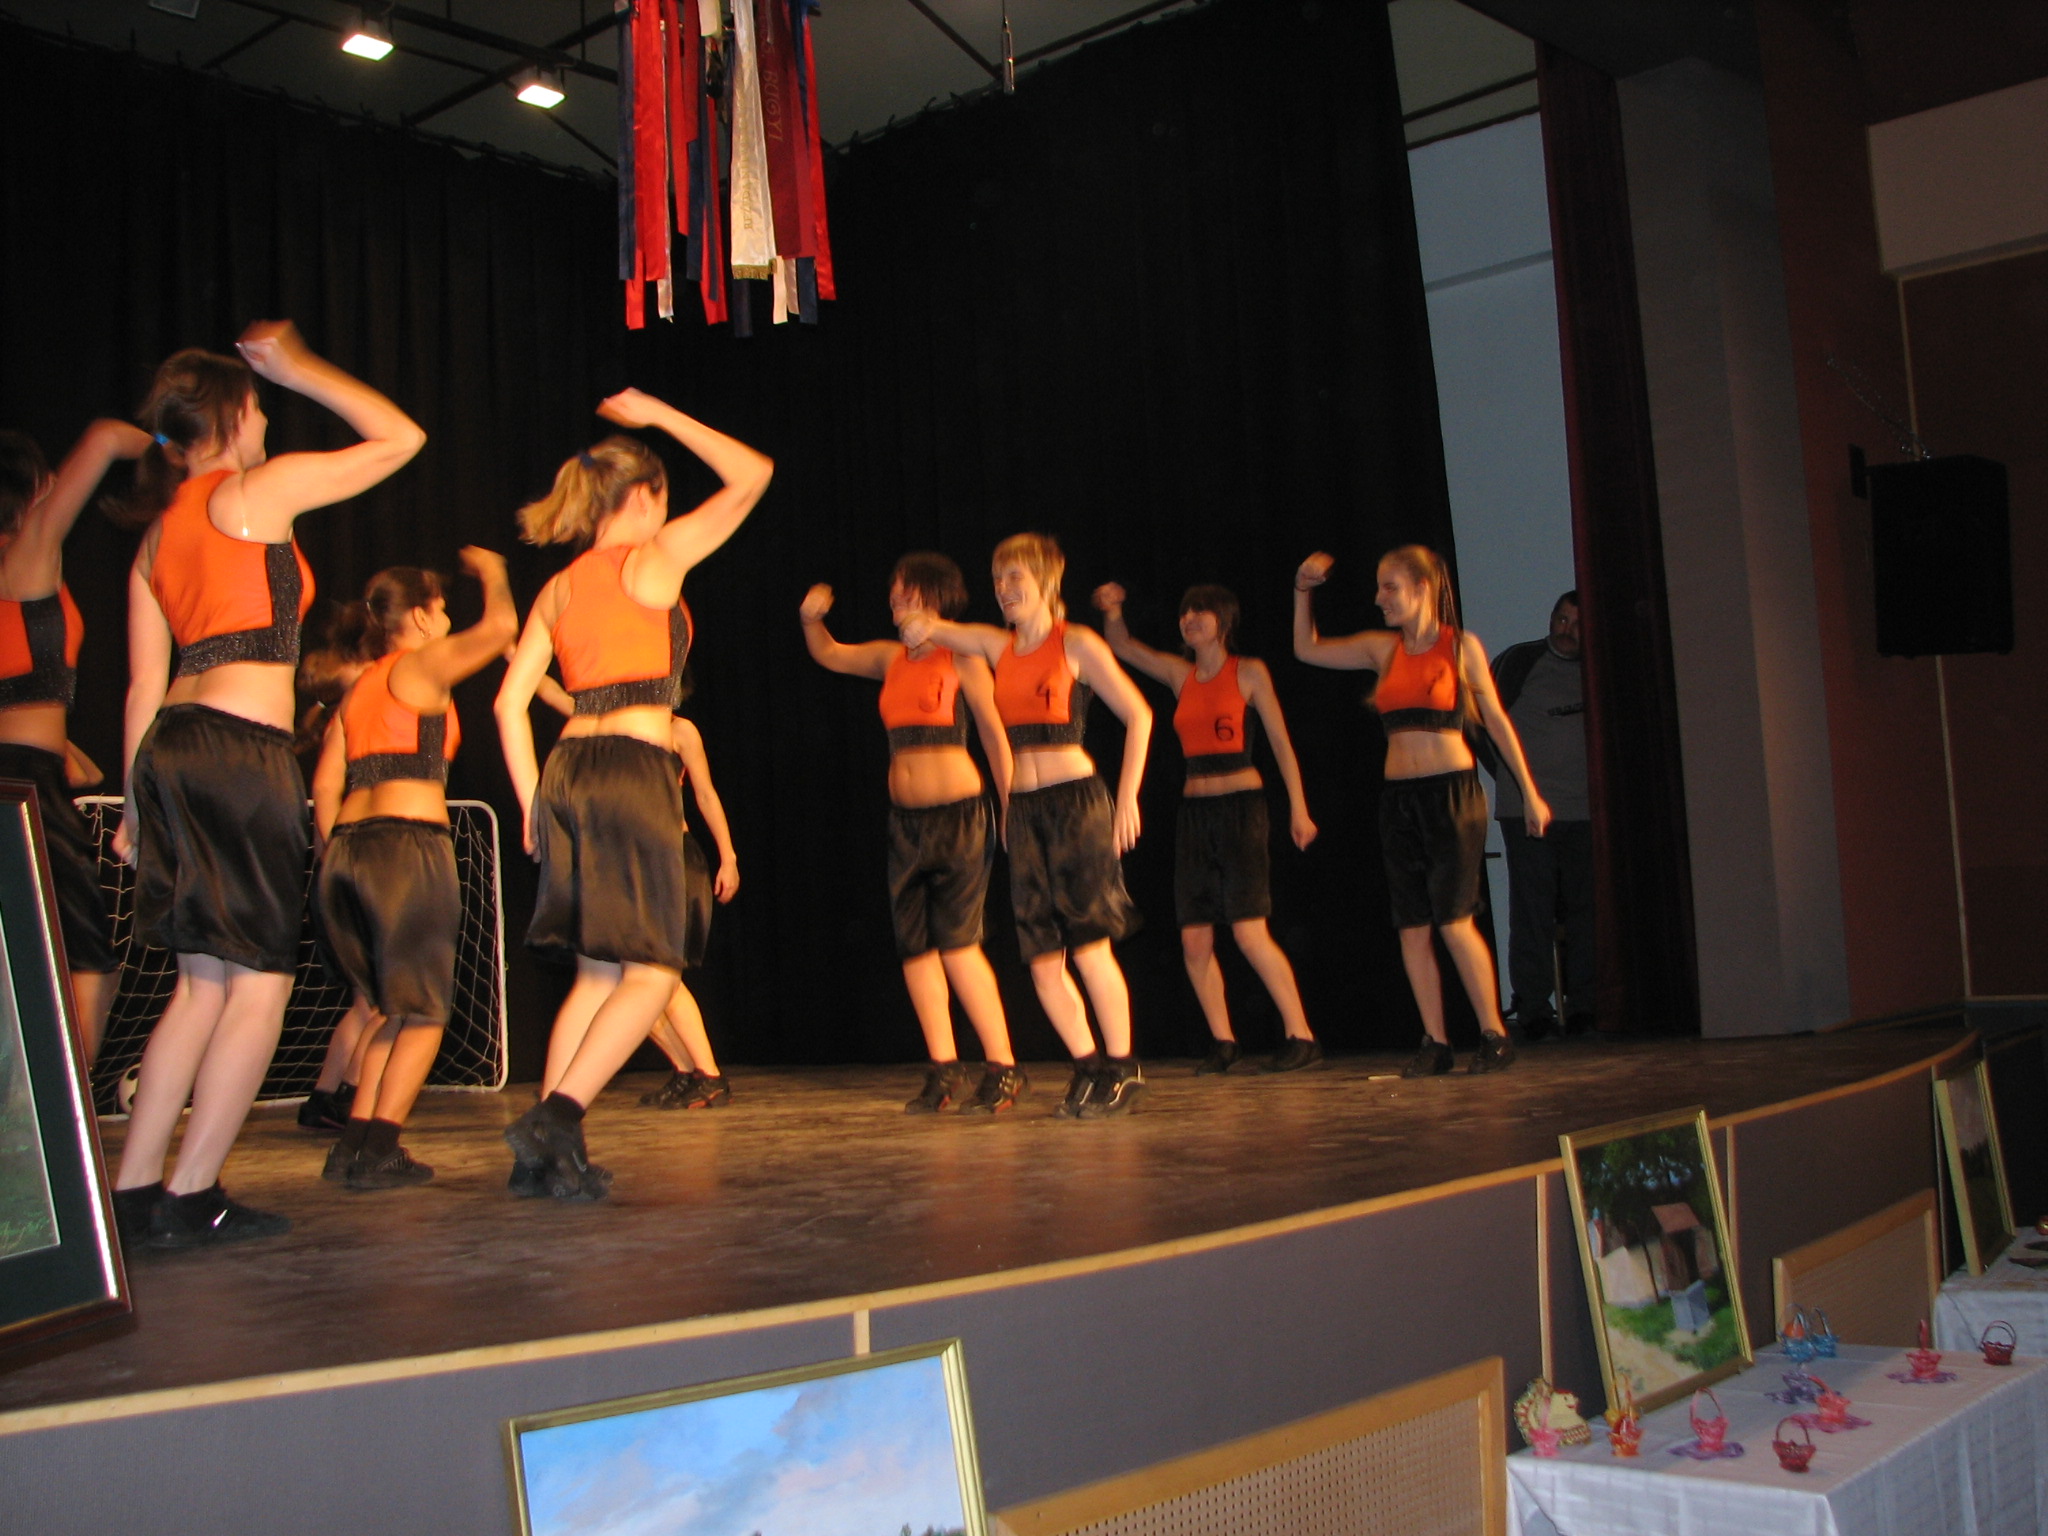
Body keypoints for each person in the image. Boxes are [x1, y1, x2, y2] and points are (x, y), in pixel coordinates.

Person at [112, 322, 425, 1247]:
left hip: (172, 751)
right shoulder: (253, 491)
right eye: (259, 408)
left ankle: (135, 1193)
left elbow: (141, 688)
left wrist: (135, 807)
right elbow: (401, 438)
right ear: (233, 415)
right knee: (259, 985)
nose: (266, 423)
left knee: (200, 985)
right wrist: (302, 368)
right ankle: (192, 1192)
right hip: (240, 752)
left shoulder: (153, 541)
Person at [496, 390, 770, 1200]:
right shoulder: (651, 559)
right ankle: (557, 1119)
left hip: (568, 773)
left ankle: (543, 1157)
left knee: (595, 976)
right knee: (652, 969)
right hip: (629, 769)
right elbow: (753, 475)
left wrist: (530, 801)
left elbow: (509, 704)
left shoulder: (559, 587)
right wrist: (660, 415)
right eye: (664, 497)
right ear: (645, 497)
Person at [903, 534, 1152, 1119]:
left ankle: (1123, 1067)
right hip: (1027, 810)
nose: (1004, 589)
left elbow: (1139, 714)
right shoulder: (999, 646)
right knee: (1042, 958)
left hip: (1077, 805)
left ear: (1046, 581)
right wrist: (920, 623)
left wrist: (1127, 799)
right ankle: (1088, 1065)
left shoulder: (1077, 643)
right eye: (998, 579)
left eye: (1015, 577)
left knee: (1089, 947)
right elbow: (944, 630)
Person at [1293, 546, 1549, 1077]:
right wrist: (1302, 592)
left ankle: (1493, 1034)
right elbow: (1306, 649)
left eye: (1390, 587)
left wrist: (1528, 791)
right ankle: (1435, 1041)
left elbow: (1496, 722)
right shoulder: (1381, 649)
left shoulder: (1460, 648)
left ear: (1423, 588)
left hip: (1451, 796)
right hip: (1399, 802)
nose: (1379, 598)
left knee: (1454, 921)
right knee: (1412, 926)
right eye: (1379, 587)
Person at [309, 552, 517, 1189]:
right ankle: (380, 1148)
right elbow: (501, 629)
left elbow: (326, 782)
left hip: (348, 850)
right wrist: (495, 573)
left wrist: (336, 856)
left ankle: (354, 1145)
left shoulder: (360, 687)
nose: (447, 618)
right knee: (425, 1011)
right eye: (442, 608)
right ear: (422, 618)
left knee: (389, 1009)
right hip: (405, 847)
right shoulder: (420, 664)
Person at [800, 555, 1025, 1114]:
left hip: (959, 818)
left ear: (936, 596)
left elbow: (994, 736)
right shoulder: (890, 657)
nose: (895, 599)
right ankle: (944, 1069)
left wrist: (1010, 807)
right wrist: (810, 619)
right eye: (894, 592)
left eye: (907, 592)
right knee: (916, 949)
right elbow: (829, 653)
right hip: (905, 824)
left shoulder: (962, 656)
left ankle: (1003, 1065)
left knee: (959, 944)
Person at [1094, 581, 1321, 1073]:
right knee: (1194, 940)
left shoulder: (1249, 672)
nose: (1190, 619)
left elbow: (1281, 743)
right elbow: (1123, 646)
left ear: (1224, 620)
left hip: (1242, 809)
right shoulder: (1181, 675)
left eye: (1201, 612)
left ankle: (1301, 1033)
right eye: (1185, 613)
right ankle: (1223, 1040)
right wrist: (1113, 609)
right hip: (1195, 816)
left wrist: (1299, 809)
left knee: (1249, 932)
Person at [0, 420, 150, 1065]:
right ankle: (66, 1116)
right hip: (25, 789)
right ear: (36, 487)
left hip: (30, 774)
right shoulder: (27, 554)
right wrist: (179, 450)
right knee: (87, 962)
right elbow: (106, 437)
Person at [1484, 591, 1593, 1039]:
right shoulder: (1519, 662)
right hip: (1527, 812)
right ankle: (1532, 1009)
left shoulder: (1596, 670)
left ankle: (1586, 1005)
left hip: (1584, 810)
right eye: (1560, 619)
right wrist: (1510, 780)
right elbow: (1480, 721)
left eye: (1576, 623)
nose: (1566, 630)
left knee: (1586, 910)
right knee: (1533, 910)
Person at [639, 712, 741, 1111]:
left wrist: (728, 858)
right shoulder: (610, 719)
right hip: (631, 858)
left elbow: (706, 794)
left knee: (658, 974)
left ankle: (710, 1075)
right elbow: (565, 700)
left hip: (671, 857)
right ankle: (688, 1071)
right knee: (624, 978)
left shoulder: (679, 730)